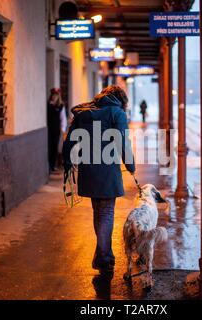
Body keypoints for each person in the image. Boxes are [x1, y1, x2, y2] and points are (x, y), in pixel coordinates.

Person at [62, 85, 135, 274]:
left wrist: (68, 163)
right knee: (107, 212)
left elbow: (69, 141)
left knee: (98, 211)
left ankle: (104, 254)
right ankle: (103, 256)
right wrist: (131, 166)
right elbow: (122, 143)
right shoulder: (117, 113)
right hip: (108, 169)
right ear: (121, 99)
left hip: (88, 169)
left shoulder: (83, 112)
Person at [47, 88, 65, 172]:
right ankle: (49, 165)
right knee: (49, 147)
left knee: (55, 148)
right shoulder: (48, 105)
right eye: (53, 95)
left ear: (58, 97)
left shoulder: (60, 106)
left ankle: (53, 165)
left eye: (56, 95)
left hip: (56, 130)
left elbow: (63, 118)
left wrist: (62, 129)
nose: (54, 97)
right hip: (49, 130)